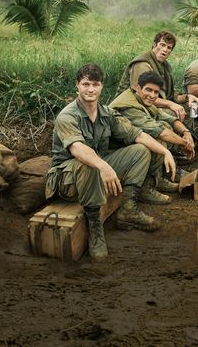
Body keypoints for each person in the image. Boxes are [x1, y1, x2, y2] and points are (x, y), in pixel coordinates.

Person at [46, 64, 176, 260]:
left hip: (97, 168)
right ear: (77, 86)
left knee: (140, 151)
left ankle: (128, 209)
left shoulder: (105, 113)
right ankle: (96, 229)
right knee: (89, 163)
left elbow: (137, 134)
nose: (90, 89)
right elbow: (78, 149)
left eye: (95, 84)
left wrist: (165, 151)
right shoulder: (67, 116)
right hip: (68, 179)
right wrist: (104, 166)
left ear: (102, 87)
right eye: (85, 84)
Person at [110, 71, 195, 200]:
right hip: (115, 153)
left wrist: (186, 133)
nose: (152, 95)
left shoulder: (138, 98)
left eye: (156, 92)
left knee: (165, 125)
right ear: (138, 88)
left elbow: (167, 117)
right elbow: (160, 132)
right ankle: (145, 187)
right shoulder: (129, 107)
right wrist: (185, 144)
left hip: (126, 145)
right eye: (148, 90)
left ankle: (157, 179)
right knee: (159, 141)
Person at [115, 30, 198, 122]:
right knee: (174, 113)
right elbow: (141, 95)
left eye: (169, 47)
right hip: (131, 108)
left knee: (192, 107)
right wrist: (170, 104)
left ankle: (190, 133)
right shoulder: (143, 64)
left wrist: (187, 97)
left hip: (151, 103)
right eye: (162, 45)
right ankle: (179, 134)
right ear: (154, 45)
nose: (165, 50)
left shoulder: (164, 66)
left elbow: (168, 92)